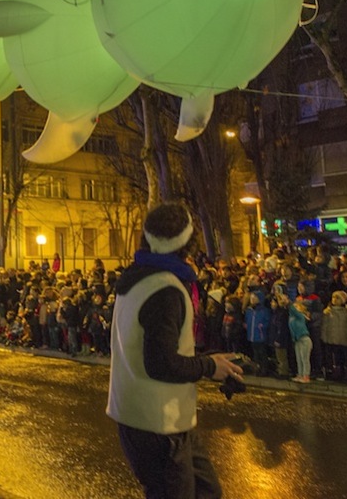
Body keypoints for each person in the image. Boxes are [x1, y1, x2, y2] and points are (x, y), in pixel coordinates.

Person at [107, 202, 242, 499]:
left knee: (208, 491)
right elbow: (161, 363)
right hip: (157, 424)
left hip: (161, 419)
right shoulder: (165, 289)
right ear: (187, 244)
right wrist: (209, 367)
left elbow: (152, 347)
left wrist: (211, 361)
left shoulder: (137, 277)